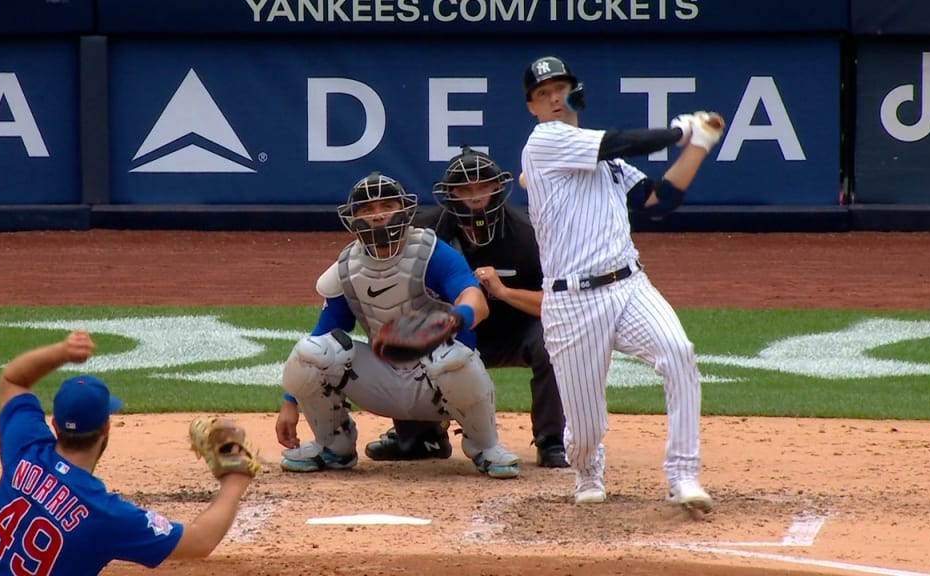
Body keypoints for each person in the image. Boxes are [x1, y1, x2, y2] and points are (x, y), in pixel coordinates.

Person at [518, 55, 725, 510]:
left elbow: (656, 203)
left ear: (576, 92)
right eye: (542, 95)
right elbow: (619, 142)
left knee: (678, 352)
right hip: (571, 302)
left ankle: (682, 476)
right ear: (532, 108)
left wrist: (698, 145)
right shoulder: (544, 141)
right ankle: (587, 470)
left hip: (629, 285)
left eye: (560, 89)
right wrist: (680, 131)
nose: (553, 99)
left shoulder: (605, 160)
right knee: (585, 431)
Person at [275, 171, 520, 479]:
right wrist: (289, 402)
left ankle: (486, 447)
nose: (377, 216)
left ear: (403, 210)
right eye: (367, 209)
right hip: (382, 379)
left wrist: (454, 320)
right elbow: (323, 333)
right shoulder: (347, 267)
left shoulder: (432, 253)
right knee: (311, 353)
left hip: (439, 384)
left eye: (386, 206)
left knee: (451, 356)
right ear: (353, 218)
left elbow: (476, 300)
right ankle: (332, 445)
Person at [0, 331, 255, 575]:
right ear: (106, 427)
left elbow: (13, 380)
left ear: (54, 424)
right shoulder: (104, 515)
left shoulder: (26, 450)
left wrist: (62, 351)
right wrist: (235, 480)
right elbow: (200, 541)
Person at [363, 146, 569, 468]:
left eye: (482, 187)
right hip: (451, 332)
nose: (475, 196)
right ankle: (420, 437)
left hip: (515, 330)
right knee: (400, 327)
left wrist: (503, 292)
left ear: (497, 188)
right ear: (451, 194)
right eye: (465, 189)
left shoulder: (529, 235)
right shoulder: (425, 233)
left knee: (554, 338)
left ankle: (551, 441)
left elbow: (560, 302)